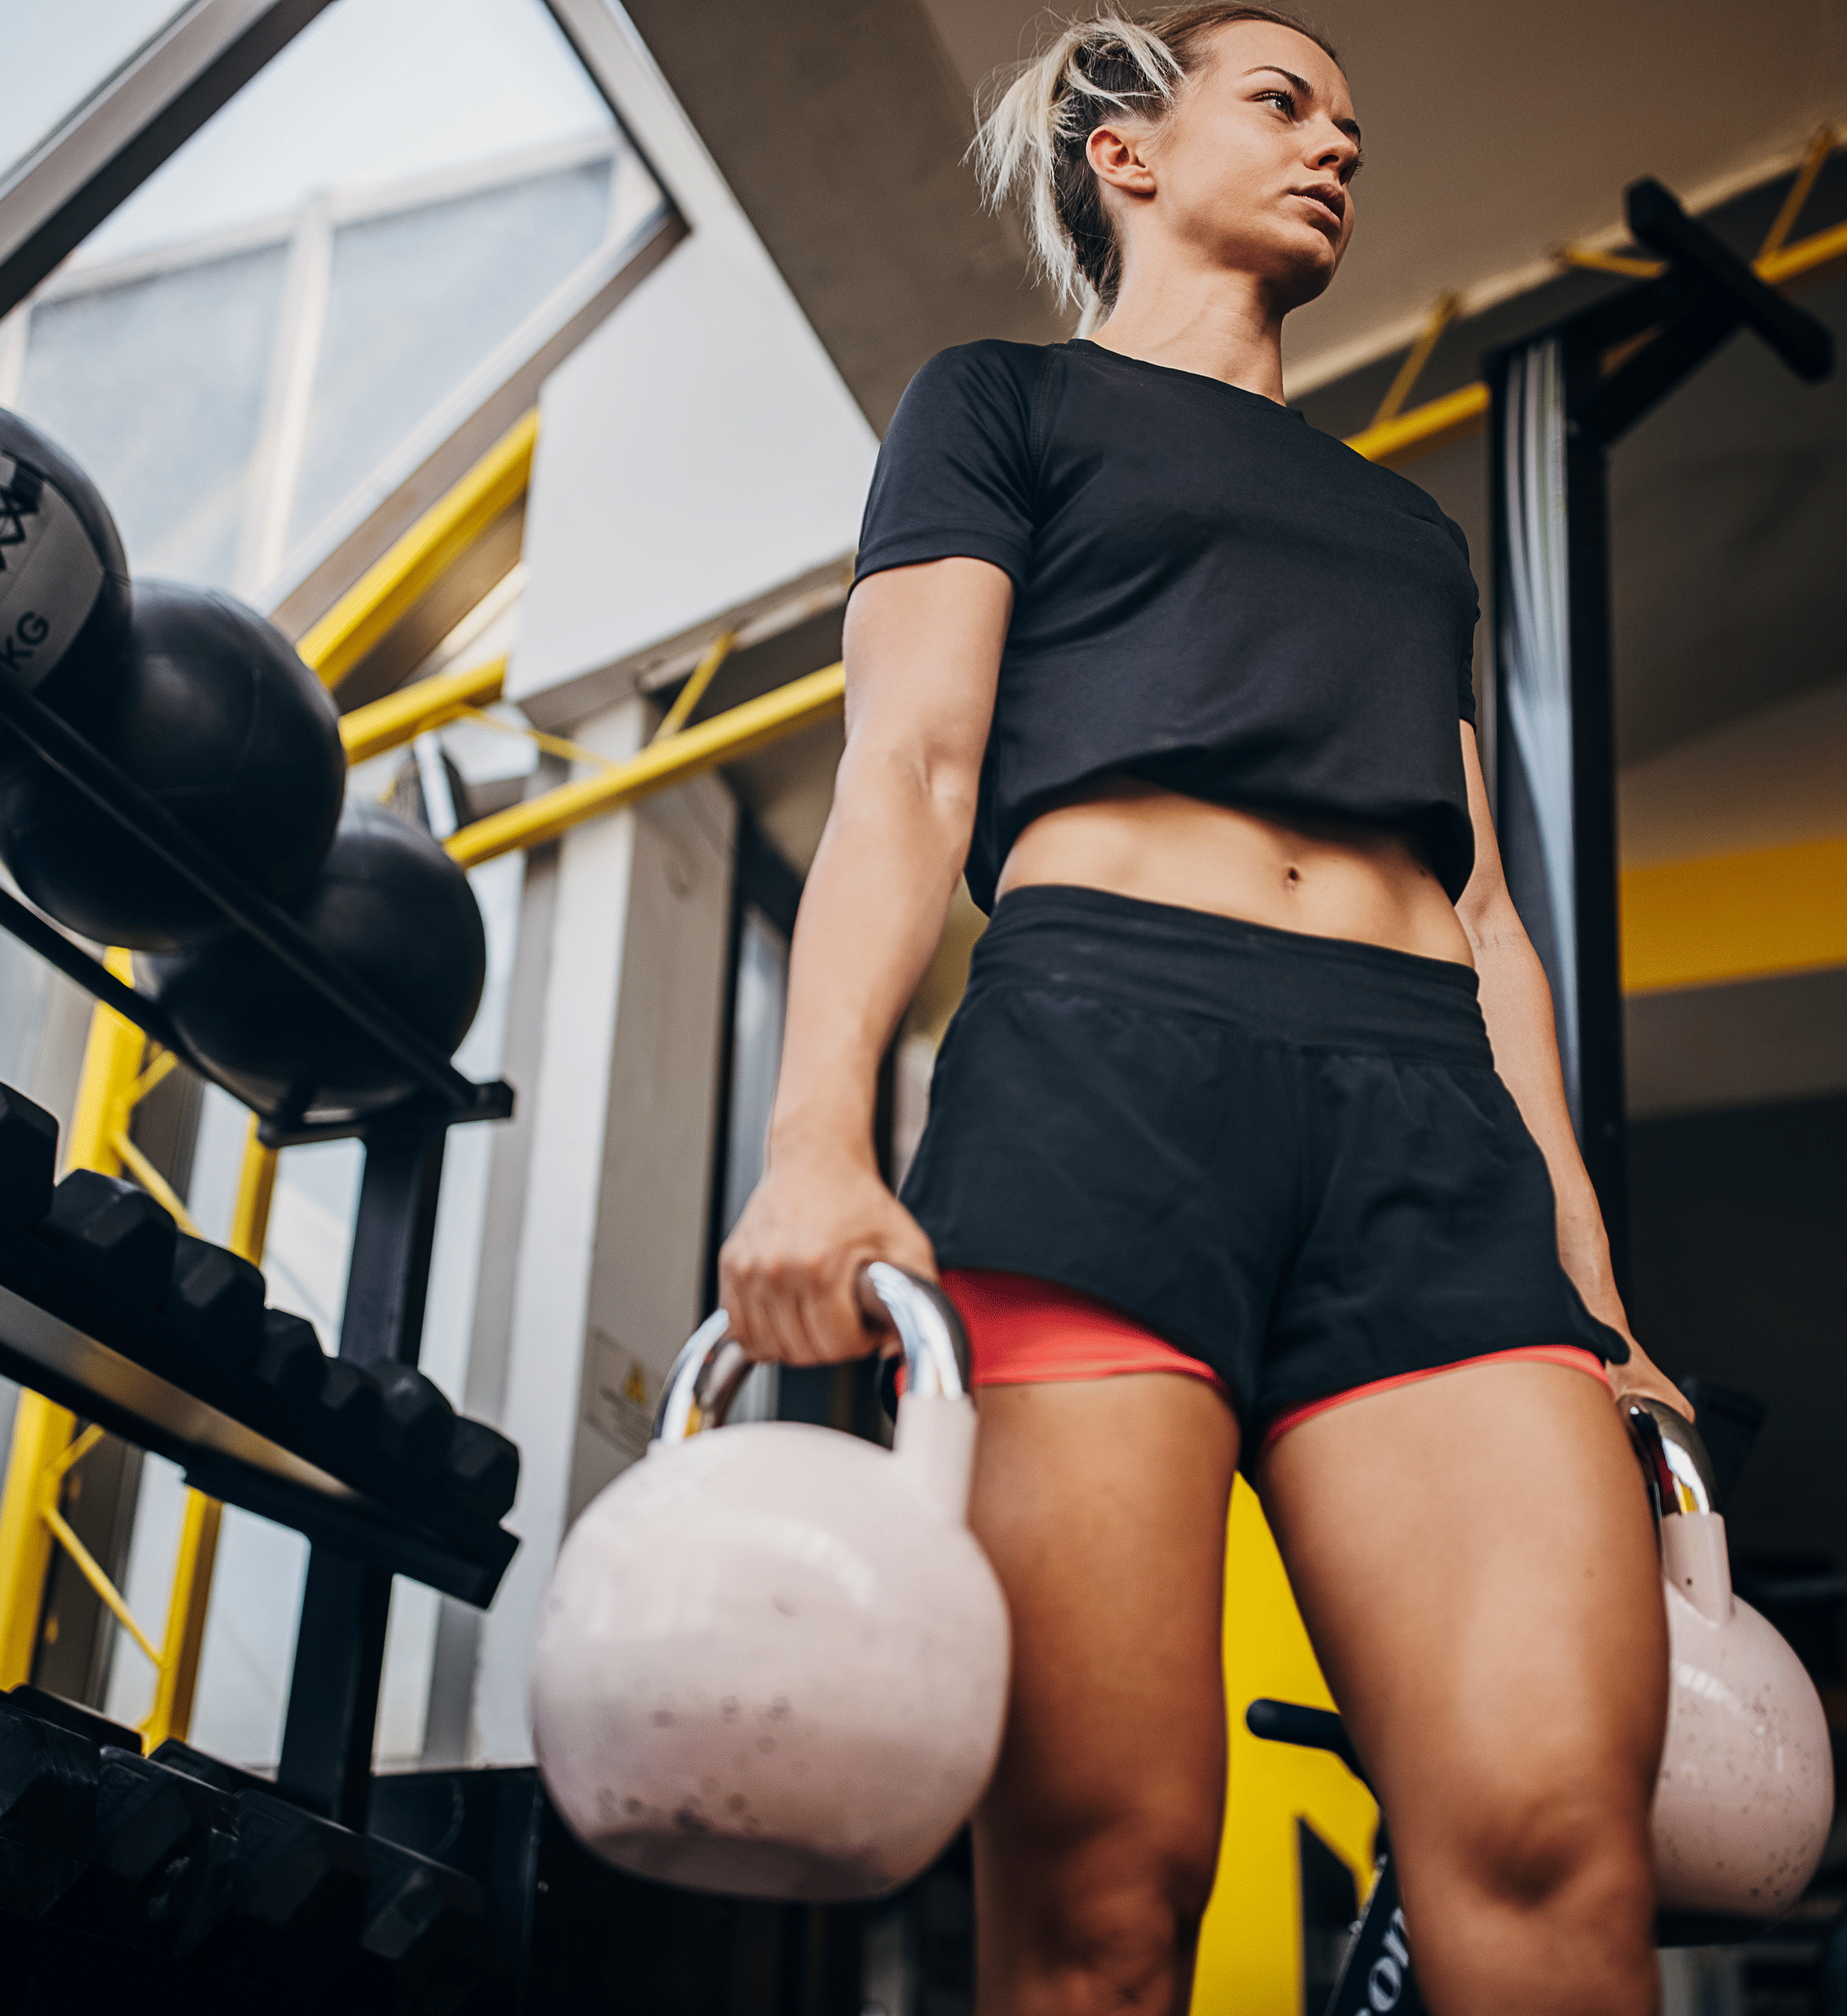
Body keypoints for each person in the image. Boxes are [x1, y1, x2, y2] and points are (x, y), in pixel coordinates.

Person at [719, 8, 1690, 2010]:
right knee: (1107, 1881)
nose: (1340, 144)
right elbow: (909, 771)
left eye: (1354, 122)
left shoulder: (1410, 531)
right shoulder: (1000, 405)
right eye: (1283, 102)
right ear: (1125, 152)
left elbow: (1490, 911)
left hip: (1428, 1119)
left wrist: (1593, 1283)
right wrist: (818, 1135)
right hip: (1101, 1075)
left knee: (1553, 1842)